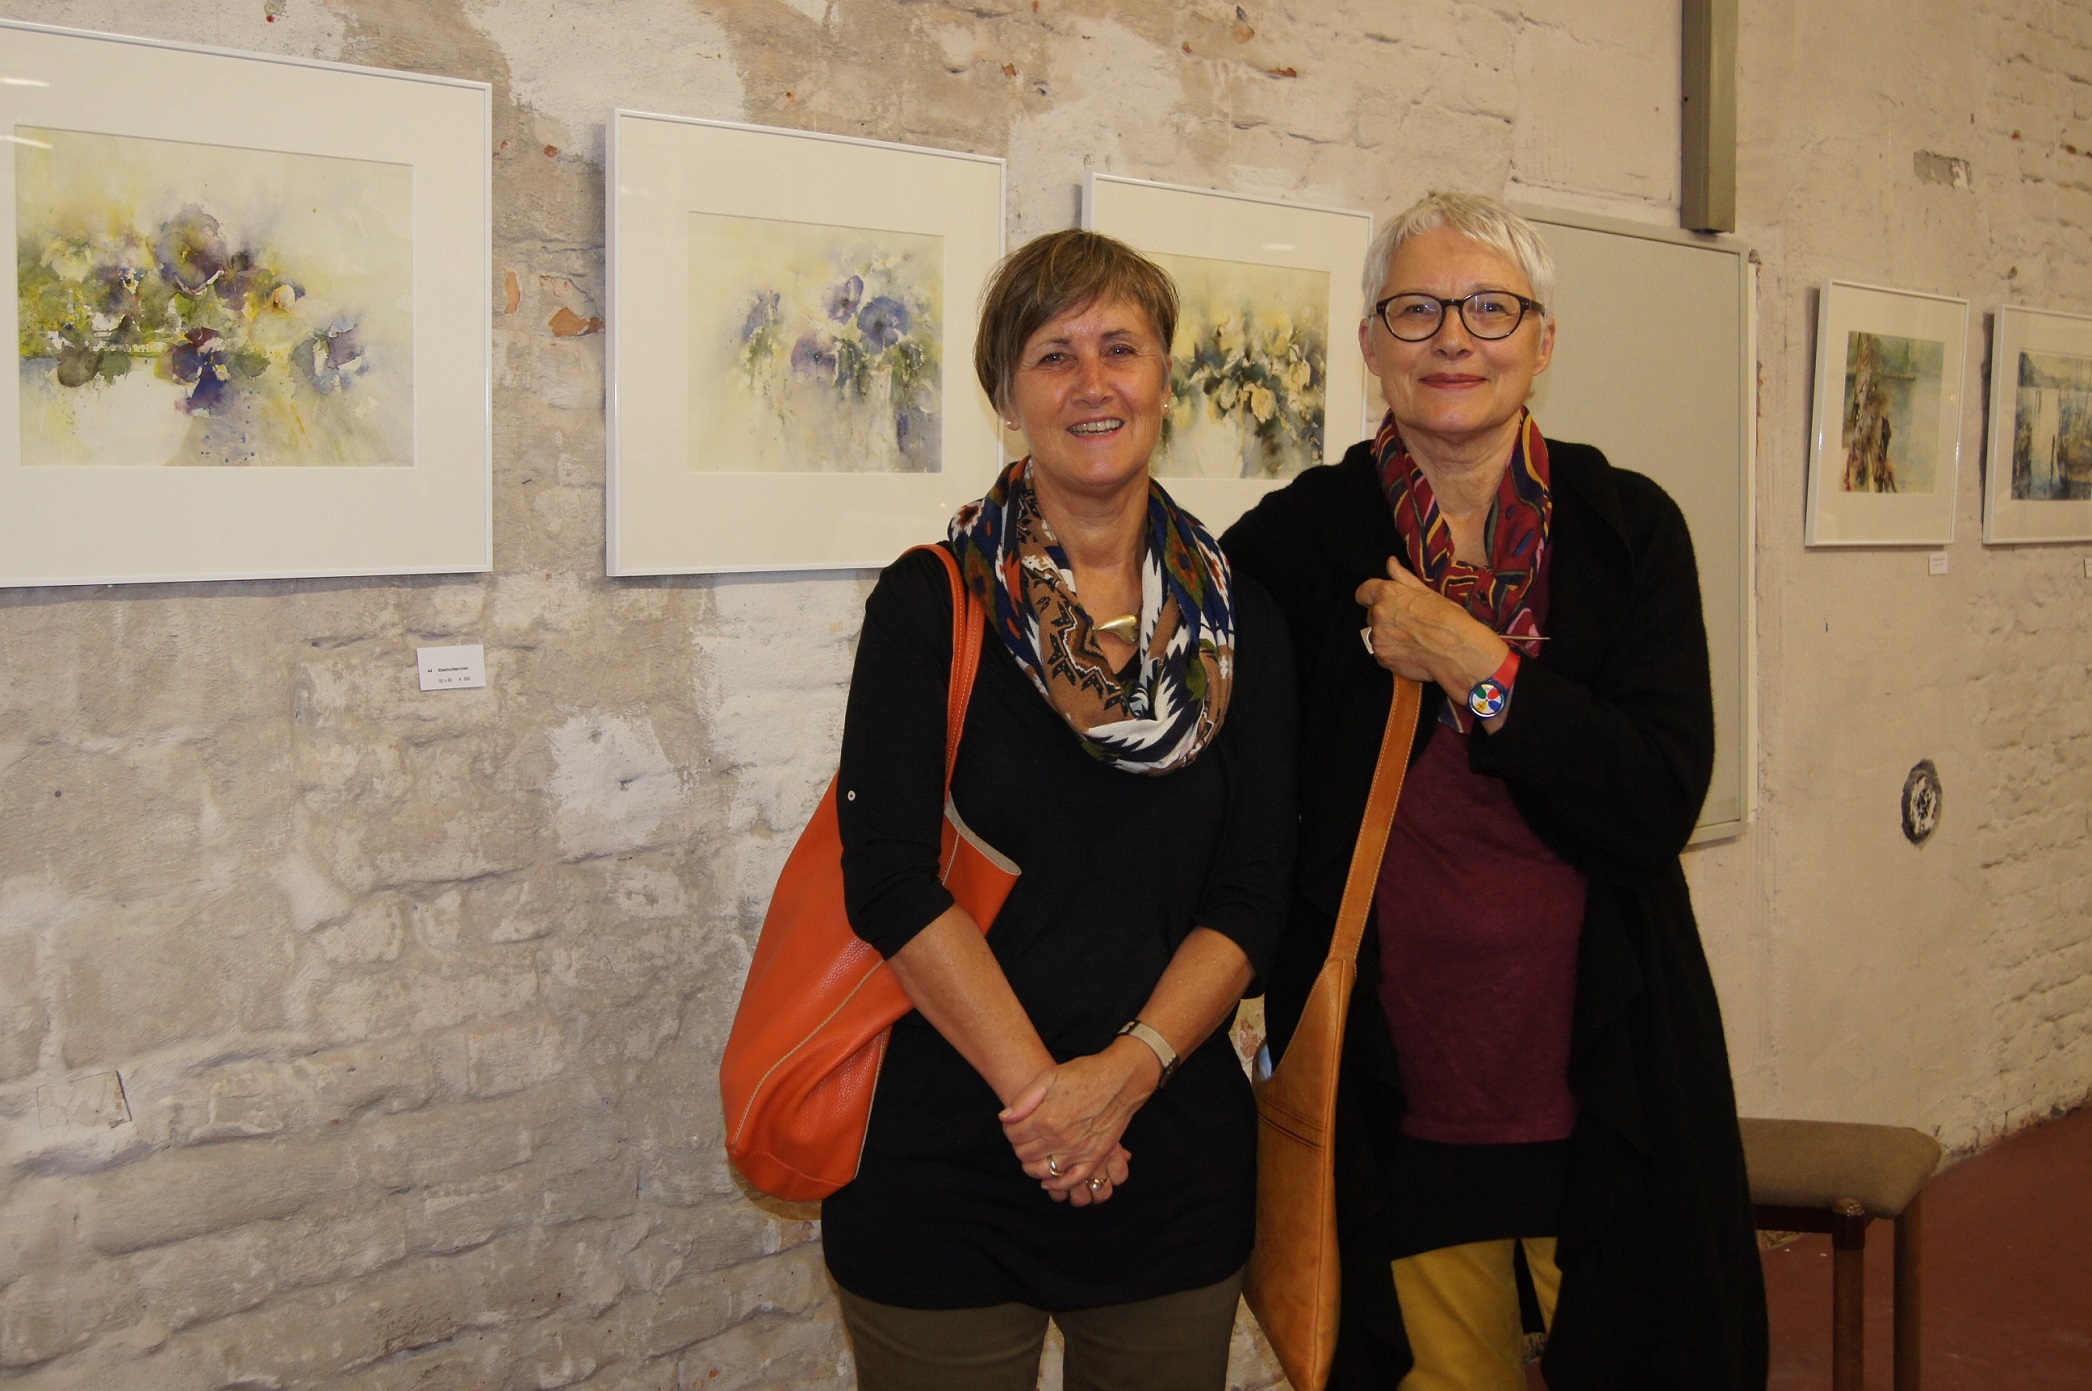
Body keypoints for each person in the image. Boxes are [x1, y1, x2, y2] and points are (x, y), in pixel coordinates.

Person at [1222, 192, 1767, 1390]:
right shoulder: (1293, 546)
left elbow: (1655, 796)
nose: (1453, 340)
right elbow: (1231, 794)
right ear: (1369, 343)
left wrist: (1478, 666)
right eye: (1416, 310)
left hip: (1606, 1065)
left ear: (1542, 340)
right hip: (1397, 1079)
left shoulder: (1627, 528)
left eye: (1489, 309)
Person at [826, 229, 1296, 1391]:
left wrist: (1121, 1078)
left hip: (1168, 1155)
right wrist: (1049, 1103)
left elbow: (1254, 894)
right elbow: (887, 877)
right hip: (946, 1161)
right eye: (1053, 354)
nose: (1093, 382)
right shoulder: (929, 603)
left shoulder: (1242, 623)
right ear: (1006, 396)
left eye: (1120, 347)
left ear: (1164, 377)